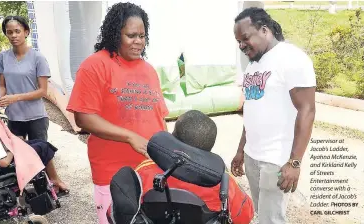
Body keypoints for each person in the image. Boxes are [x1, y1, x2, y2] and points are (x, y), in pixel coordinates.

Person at [66, 3, 168, 224]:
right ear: (115, 34)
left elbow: (160, 119)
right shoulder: (94, 66)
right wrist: (130, 136)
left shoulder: (148, 70)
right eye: (131, 35)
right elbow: (83, 117)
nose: (138, 41)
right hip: (113, 173)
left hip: (150, 169)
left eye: (142, 35)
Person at [230, 7, 316, 224]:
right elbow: (251, 110)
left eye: (245, 38)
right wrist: (241, 151)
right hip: (252, 156)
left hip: (276, 160)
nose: (241, 45)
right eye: (238, 41)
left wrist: (294, 162)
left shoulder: (292, 58)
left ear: (265, 30)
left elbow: (307, 110)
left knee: (272, 220)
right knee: (263, 215)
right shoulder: (254, 63)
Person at [111, 110, 254, 224]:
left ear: (172, 138)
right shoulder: (222, 182)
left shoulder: (145, 170)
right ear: (208, 150)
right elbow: (245, 216)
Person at [0, 100, 69, 197]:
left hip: (0, 155)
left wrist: (13, 141)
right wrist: (14, 145)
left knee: (40, 143)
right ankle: (54, 181)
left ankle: (54, 180)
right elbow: (3, 163)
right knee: (41, 147)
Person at [0, 15, 51, 141]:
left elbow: (43, 91)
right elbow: (2, 86)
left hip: (36, 118)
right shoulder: (2, 57)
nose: (13, 35)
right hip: (13, 117)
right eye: (9, 32)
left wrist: (15, 97)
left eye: (17, 31)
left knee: (39, 155)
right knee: (18, 156)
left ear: (26, 32)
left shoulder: (38, 58)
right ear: (6, 34)